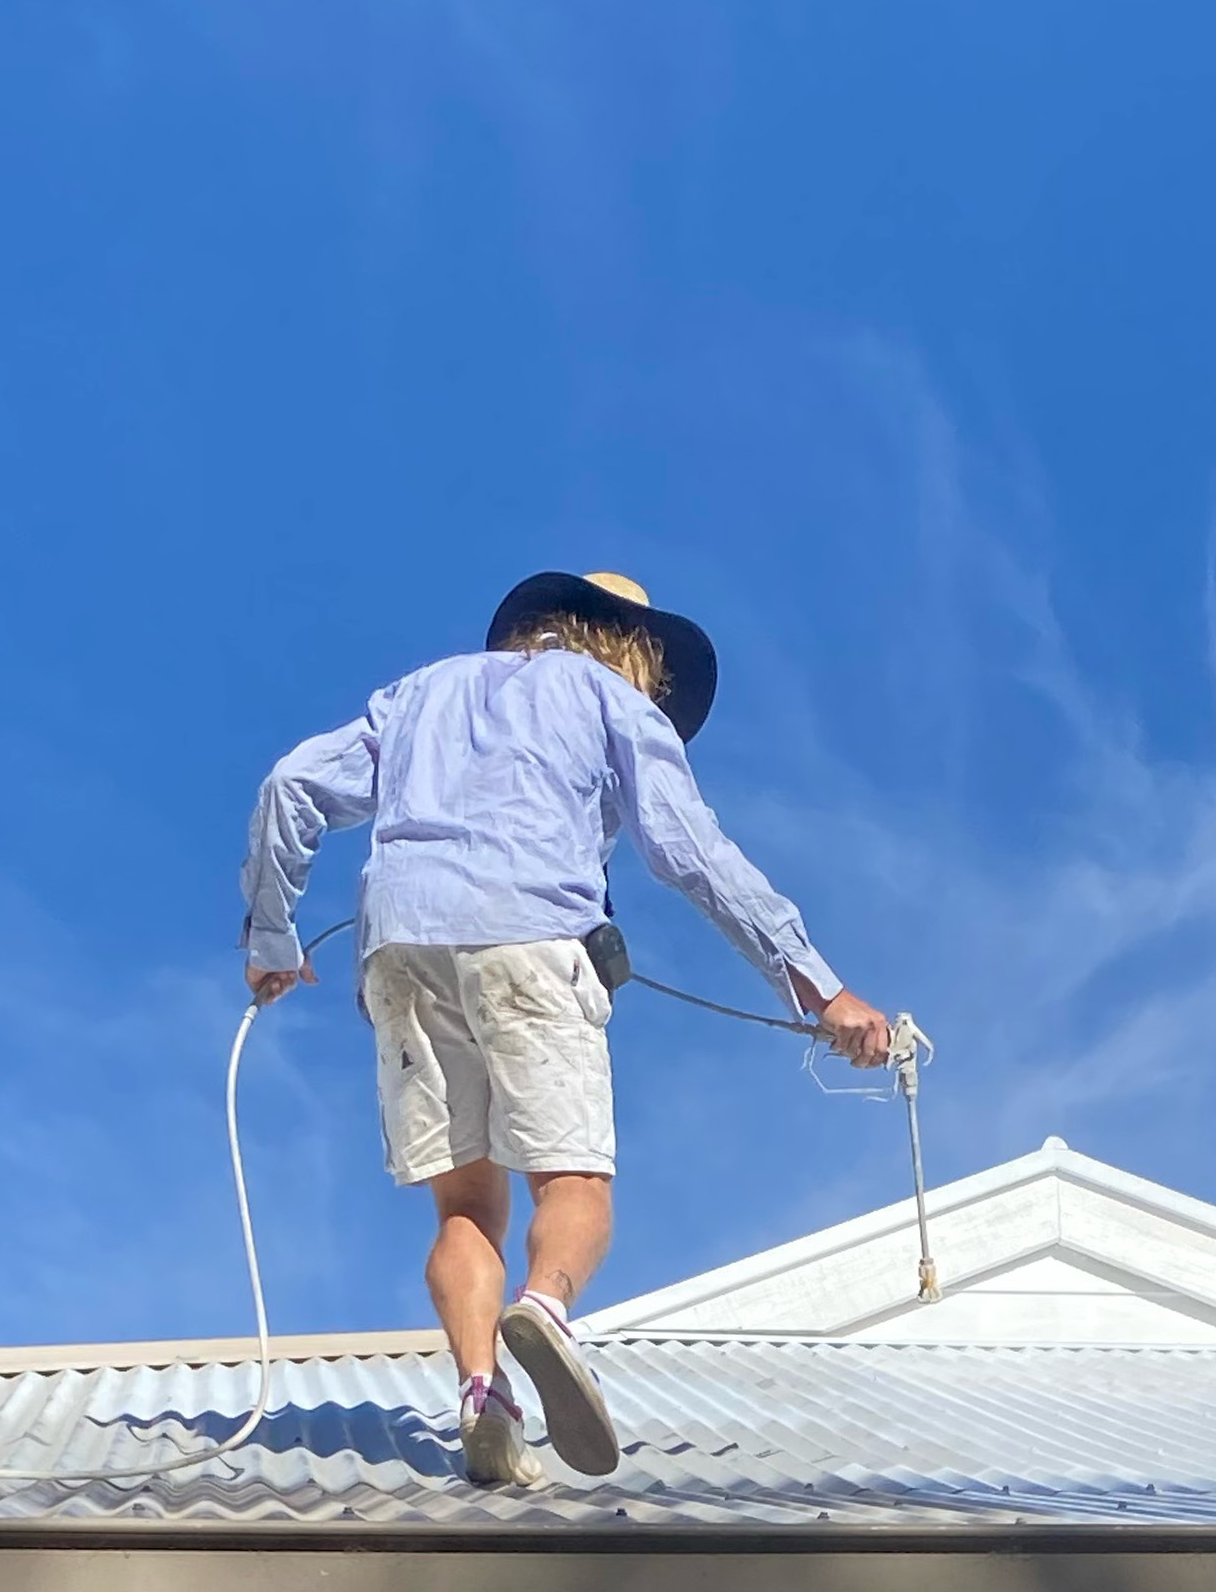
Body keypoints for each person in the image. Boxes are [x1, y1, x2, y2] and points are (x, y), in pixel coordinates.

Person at [242, 571, 893, 1487]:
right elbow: (691, 849)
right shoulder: (608, 697)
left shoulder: (420, 693)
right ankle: (545, 1309)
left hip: (399, 950)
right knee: (575, 1184)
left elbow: (291, 784)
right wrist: (820, 989)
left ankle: (483, 1391)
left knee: (464, 1209)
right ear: (634, 650)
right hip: (534, 937)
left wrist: (272, 938)